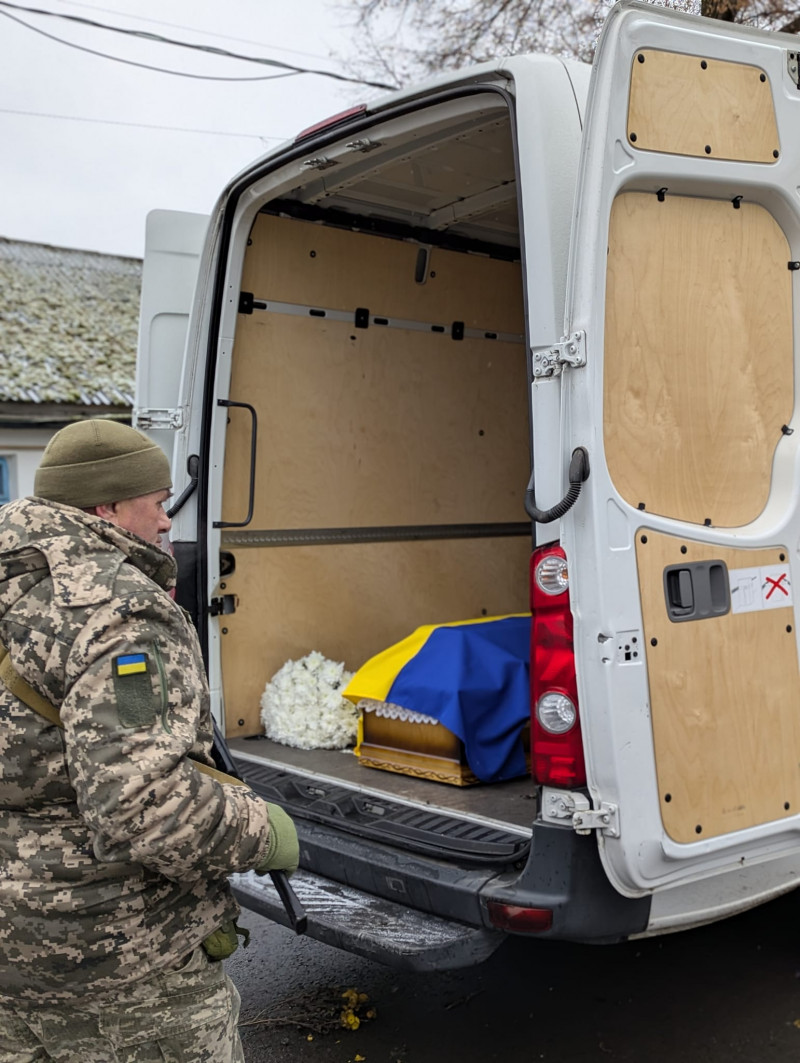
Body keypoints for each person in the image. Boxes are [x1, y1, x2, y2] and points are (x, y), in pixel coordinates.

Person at [0, 419, 299, 1063]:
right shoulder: (116, 608)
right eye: (157, 503)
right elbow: (141, 806)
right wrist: (262, 831)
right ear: (105, 506)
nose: (167, 523)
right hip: (117, 973)